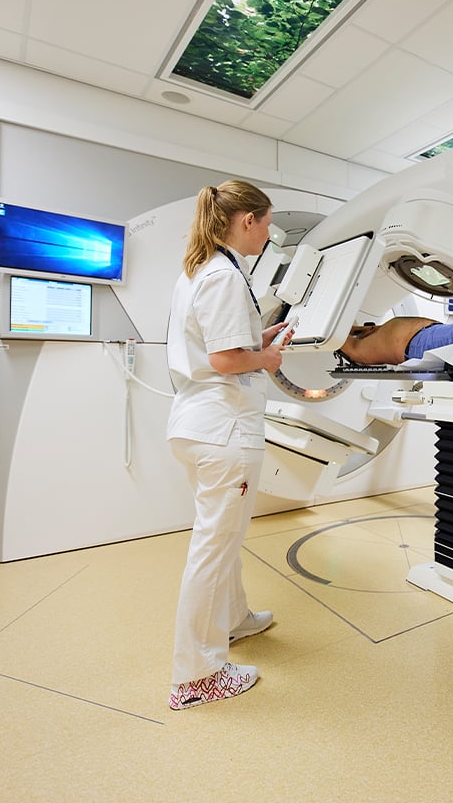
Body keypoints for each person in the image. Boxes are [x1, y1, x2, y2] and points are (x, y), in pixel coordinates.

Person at [166, 180, 290, 710]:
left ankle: (234, 619)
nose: (268, 234)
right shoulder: (223, 276)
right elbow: (223, 360)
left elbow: (216, 345)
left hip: (199, 425)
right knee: (214, 550)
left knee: (224, 538)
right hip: (224, 429)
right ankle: (196, 676)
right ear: (247, 220)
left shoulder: (200, 271)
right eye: (267, 224)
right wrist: (266, 359)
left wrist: (257, 342)